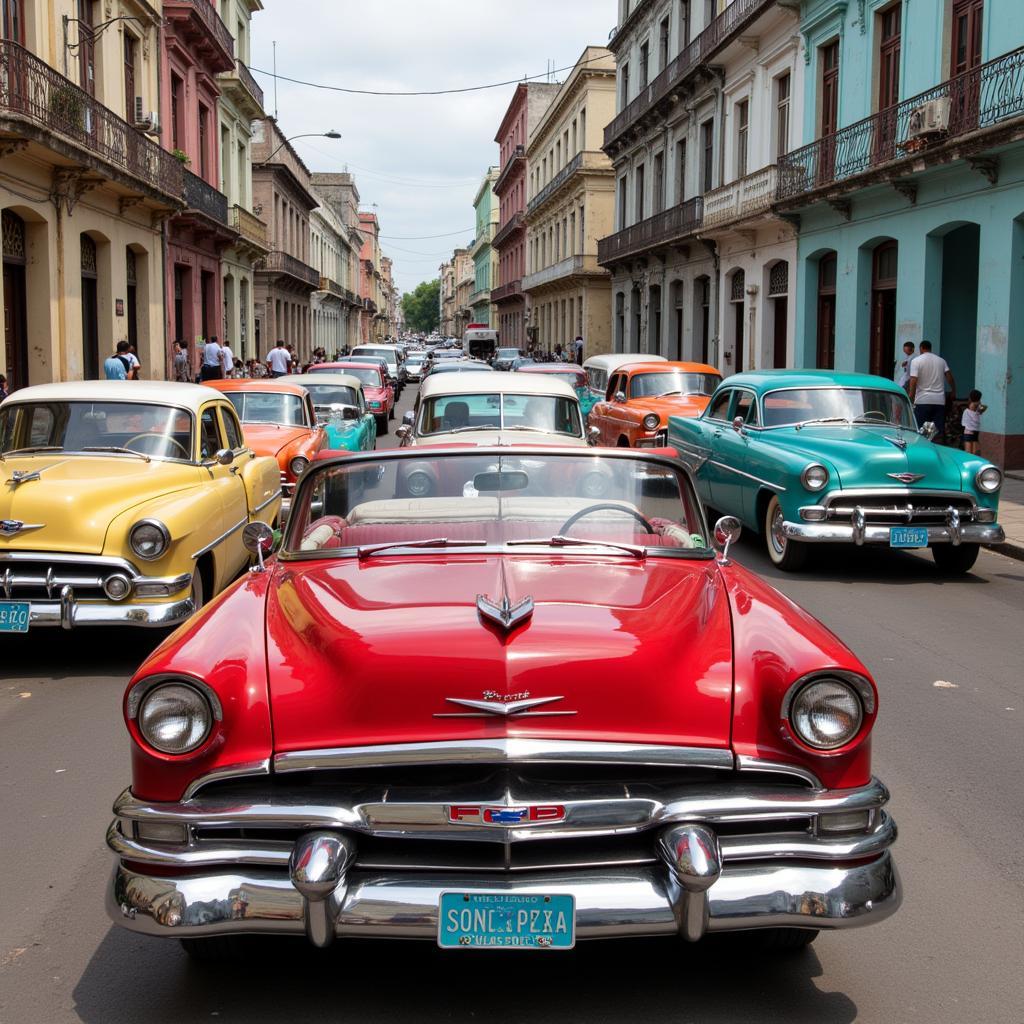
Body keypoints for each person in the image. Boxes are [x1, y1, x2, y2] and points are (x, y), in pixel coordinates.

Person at [908, 340, 955, 439]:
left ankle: (923, 451)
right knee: (937, 432)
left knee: (921, 432)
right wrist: (953, 390)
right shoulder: (941, 361)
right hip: (939, 401)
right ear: (930, 348)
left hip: (922, 401)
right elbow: (949, 376)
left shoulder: (916, 361)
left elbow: (913, 380)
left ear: (921, 348)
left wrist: (911, 397)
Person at [961, 389, 986, 454]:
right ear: (976, 400)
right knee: (969, 451)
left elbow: (979, 412)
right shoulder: (973, 406)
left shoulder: (974, 407)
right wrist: (979, 407)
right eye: (979, 399)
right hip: (969, 432)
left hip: (972, 431)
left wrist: (979, 409)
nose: (980, 401)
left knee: (973, 450)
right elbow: (978, 410)